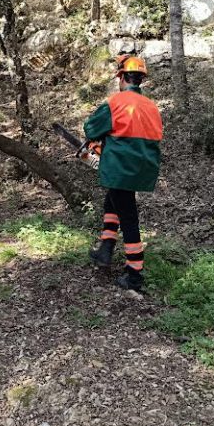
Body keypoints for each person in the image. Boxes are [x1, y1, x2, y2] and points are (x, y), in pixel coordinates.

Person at [84, 54, 163, 292]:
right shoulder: (151, 107)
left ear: (121, 77)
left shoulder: (116, 102)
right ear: (140, 79)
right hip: (142, 168)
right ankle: (105, 250)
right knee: (113, 203)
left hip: (120, 168)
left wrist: (100, 142)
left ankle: (134, 274)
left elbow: (91, 128)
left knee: (128, 217)